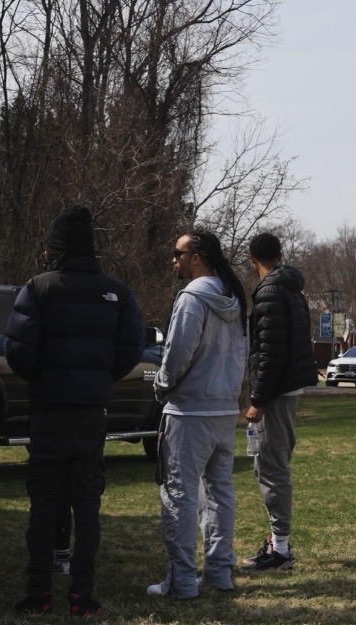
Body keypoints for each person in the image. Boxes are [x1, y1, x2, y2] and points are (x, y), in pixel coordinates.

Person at [5, 205, 144, 617]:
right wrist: (100, 379)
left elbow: (18, 350)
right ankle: (82, 595)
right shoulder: (117, 292)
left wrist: (43, 379)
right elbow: (130, 351)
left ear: (57, 247)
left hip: (48, 411)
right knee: (87, 505)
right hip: (91, 413)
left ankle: (39, 593)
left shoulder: (39, 287)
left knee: (44, 503)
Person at [147, 229, 247, 599]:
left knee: (180, 494)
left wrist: (161, 385)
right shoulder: (232, 296)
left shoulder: (192, 298)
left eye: (178, 253)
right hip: (223, 410)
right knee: (219, 493)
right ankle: (219, 573)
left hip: (190, 411)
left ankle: (183, 581)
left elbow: (177, 353)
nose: (173, 260)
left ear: (197, 257)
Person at [241, 233, 318, 571]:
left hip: (275, 392)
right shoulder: (292, 288)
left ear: (251, 257)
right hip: (288, 389)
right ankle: (276, 541)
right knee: (271, 464)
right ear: (281, 253)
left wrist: (257, 399)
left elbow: (270, 351)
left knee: (272, 468)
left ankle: (281, 550)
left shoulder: (270, 291)